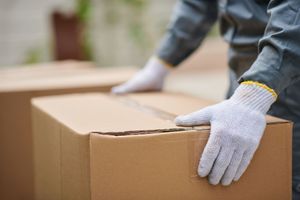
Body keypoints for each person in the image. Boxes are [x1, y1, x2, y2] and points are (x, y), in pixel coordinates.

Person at [111, 0, 300, 199]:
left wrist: (253, 97)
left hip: (290, 83)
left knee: (286, 181)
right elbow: (198, 4)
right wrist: (160, 63)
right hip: (243, 76)